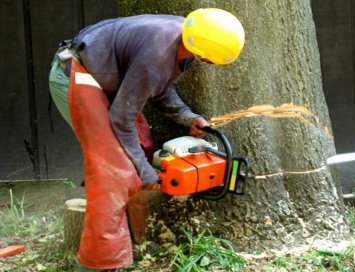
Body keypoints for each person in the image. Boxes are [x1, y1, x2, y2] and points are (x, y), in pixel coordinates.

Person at [48, 8, 245, 271]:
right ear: (204, 53)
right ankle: (95, 264)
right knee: (114, 170)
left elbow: (160, 87)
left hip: (105, 79)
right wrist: (144, 170)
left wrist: (187, 117)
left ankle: (132, 242)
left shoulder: (188, 36)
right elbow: (121, 118)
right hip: (76, 73)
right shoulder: (159, 53)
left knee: (139, 148)